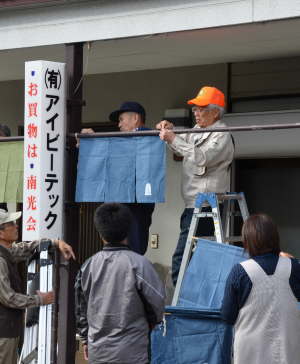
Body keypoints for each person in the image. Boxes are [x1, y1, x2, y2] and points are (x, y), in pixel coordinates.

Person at [156, 86, 234, 286]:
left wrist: (174, 138)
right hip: (194, 205)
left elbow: (202, 157)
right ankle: (190, 299)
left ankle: (182, 303)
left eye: (201, 109)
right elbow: (182, 146)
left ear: (215, 112)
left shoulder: (222, 135)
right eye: (195, 110)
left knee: (182, 258)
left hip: (207, 205)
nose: (196, 114)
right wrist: (170, 132)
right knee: (194, 258)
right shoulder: (198, 131)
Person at [75, 202, 165, 364]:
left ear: (100, 232)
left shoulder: (87, 266)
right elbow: (157, 301)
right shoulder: (141, 264)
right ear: (129, 229)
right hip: (133, 352)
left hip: (99, 352)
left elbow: (81, 309)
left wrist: (85, 338)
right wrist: (152, 320)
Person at [0, 203, 75, 364]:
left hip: (9, 330)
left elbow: (27, 248)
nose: (16, 226)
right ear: (0, 233)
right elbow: (8, 298)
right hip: (3, 334)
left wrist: (56, 242)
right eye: (11, 224)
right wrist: (39, 300)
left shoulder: (7, 251)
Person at [220, 214, 300, 364]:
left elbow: (228, 316)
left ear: (247, 240)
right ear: (275, 237)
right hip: (286, 351)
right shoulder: (293, 267)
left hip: (250, 352)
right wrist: (291, 260)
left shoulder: (239, 272)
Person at [81, 102, 155, 256]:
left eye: (121, 120)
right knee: (122, 248)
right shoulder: (129, 139)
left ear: (135, 118)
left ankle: (131, 279)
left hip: (137, 203)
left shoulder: (145, 135)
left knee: (132, 250)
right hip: (127, 200)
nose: (119, 125)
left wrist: (95, 140)